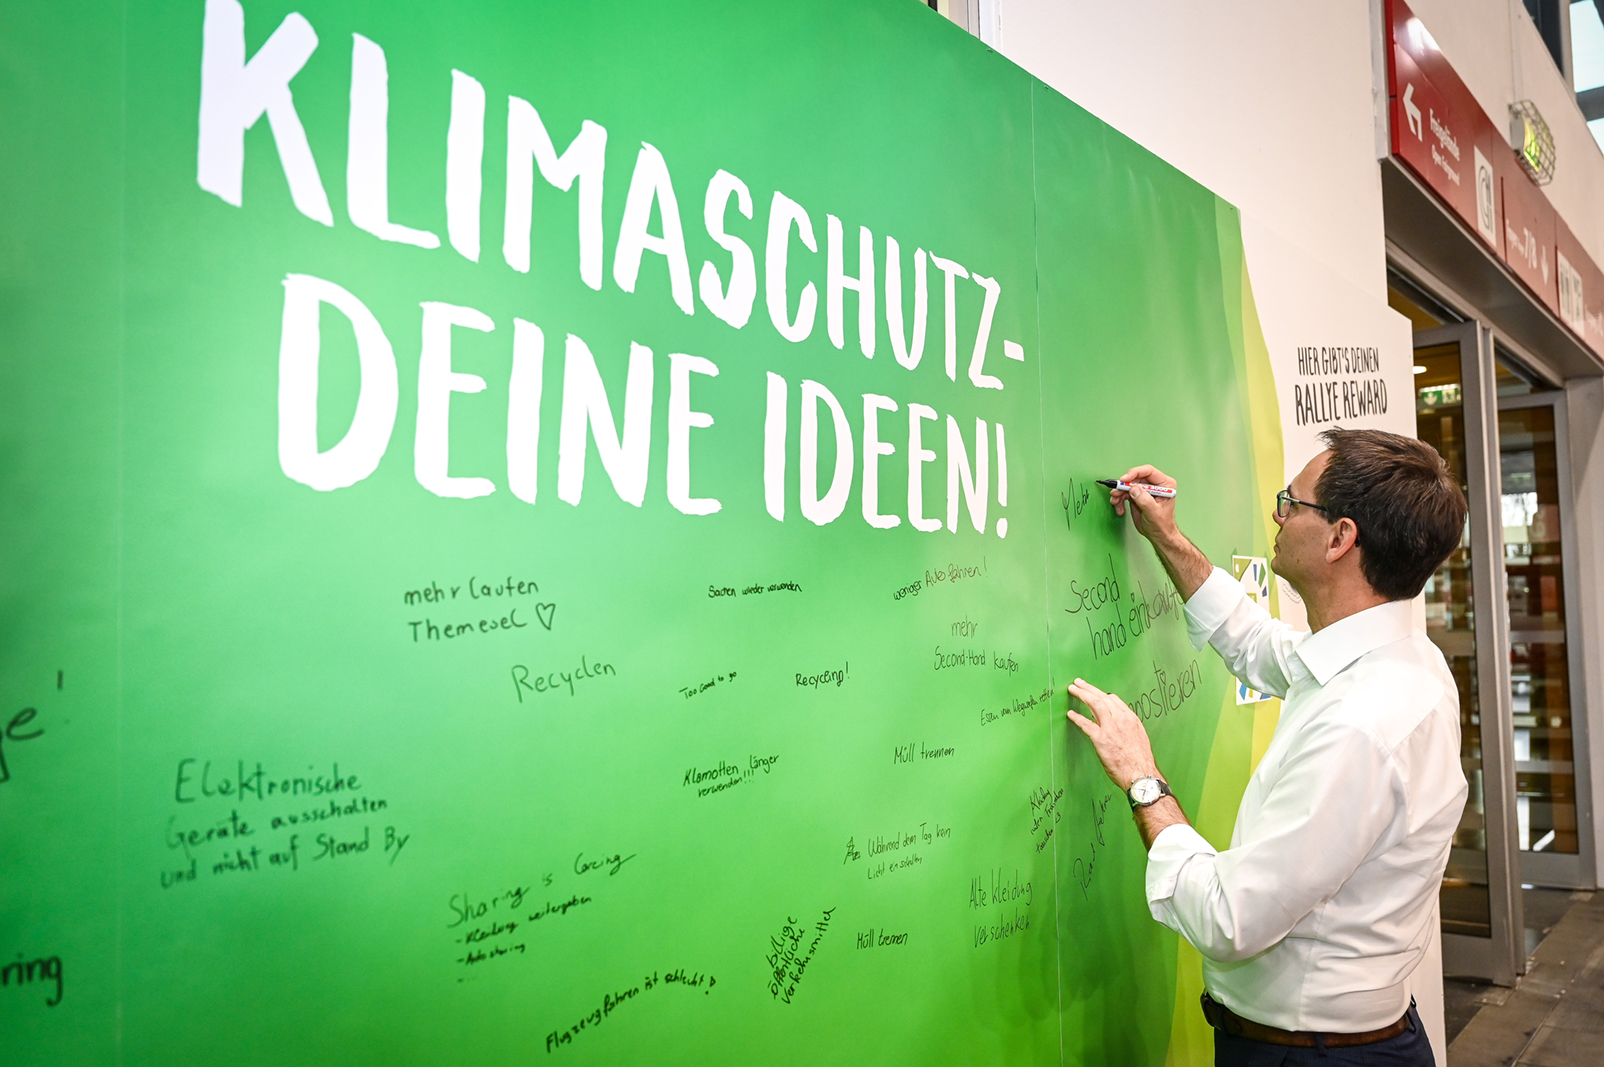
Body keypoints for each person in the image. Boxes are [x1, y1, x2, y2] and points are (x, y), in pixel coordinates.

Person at [1065, 427, 1469, 1065]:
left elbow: (1230, 919)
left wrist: (1143, 779)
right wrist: (1168, 538)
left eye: (1292, 503)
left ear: (1340, 538)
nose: (1278, 515)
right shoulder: (1394, 661)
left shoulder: (1361, 723)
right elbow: (1257, 643)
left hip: (1314, 1056)